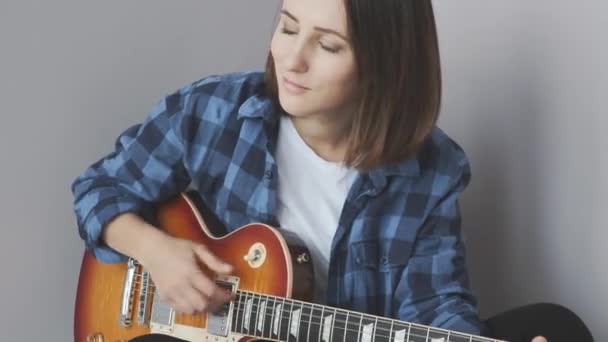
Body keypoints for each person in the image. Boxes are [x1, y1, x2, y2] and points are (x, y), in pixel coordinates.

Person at [71, 0, 593, 341]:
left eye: (327, 45)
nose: (291, 59)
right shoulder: (214, 111)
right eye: (287, 26)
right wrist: (157, 252)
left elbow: (433, 303)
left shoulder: (433, 169)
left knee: (556, 327)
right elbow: (99, 189)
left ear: (384, 65)